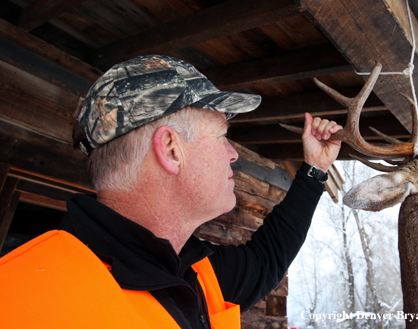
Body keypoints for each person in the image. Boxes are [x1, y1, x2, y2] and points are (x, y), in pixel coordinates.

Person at [0, 55, 342, 329]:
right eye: (222, 135)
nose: (233, 153)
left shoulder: (194, 270)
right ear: (171, 149)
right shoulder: (21, 300)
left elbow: (267, 258)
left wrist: (314, 171)